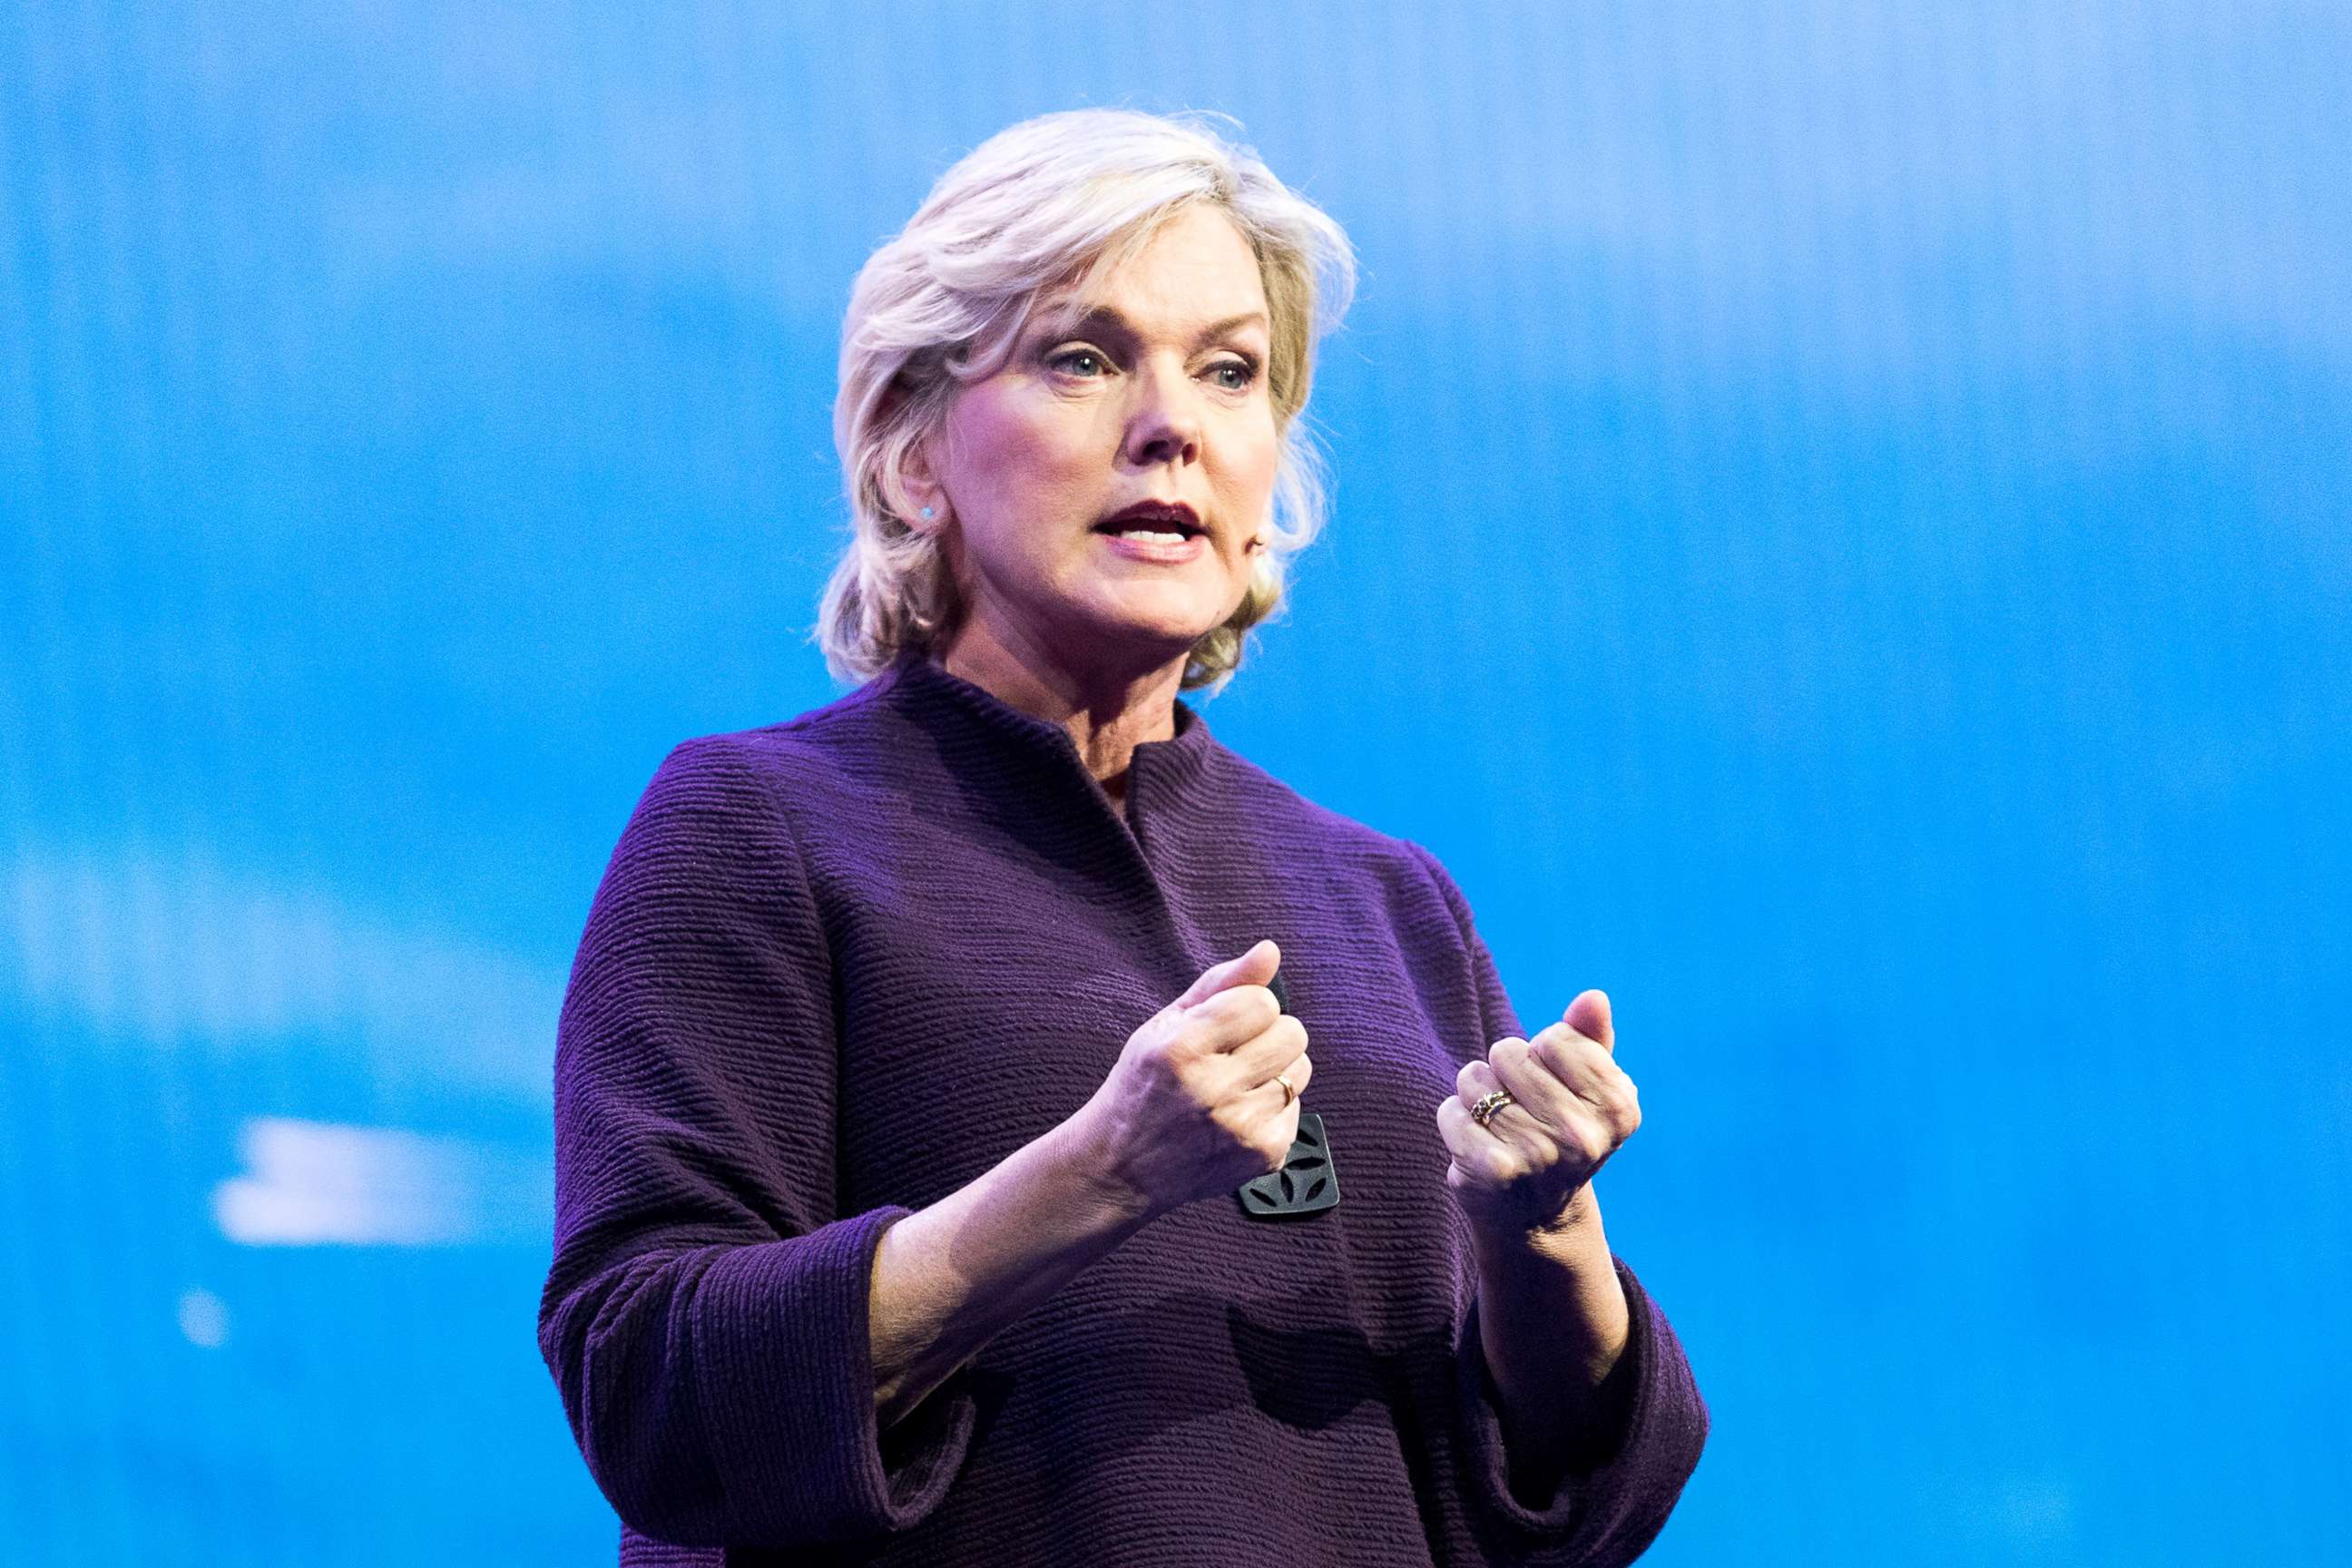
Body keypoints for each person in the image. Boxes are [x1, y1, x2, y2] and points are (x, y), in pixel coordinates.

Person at [538, 108, 1708, 1567]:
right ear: (914, 453)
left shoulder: (1388, 902)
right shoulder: (759, 832)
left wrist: (1543, 1239)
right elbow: (653, 1392)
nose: (1174, 423)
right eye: (1084, 358)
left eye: (1231, 372)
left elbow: (1568, 1503)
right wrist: (1099, 1171)